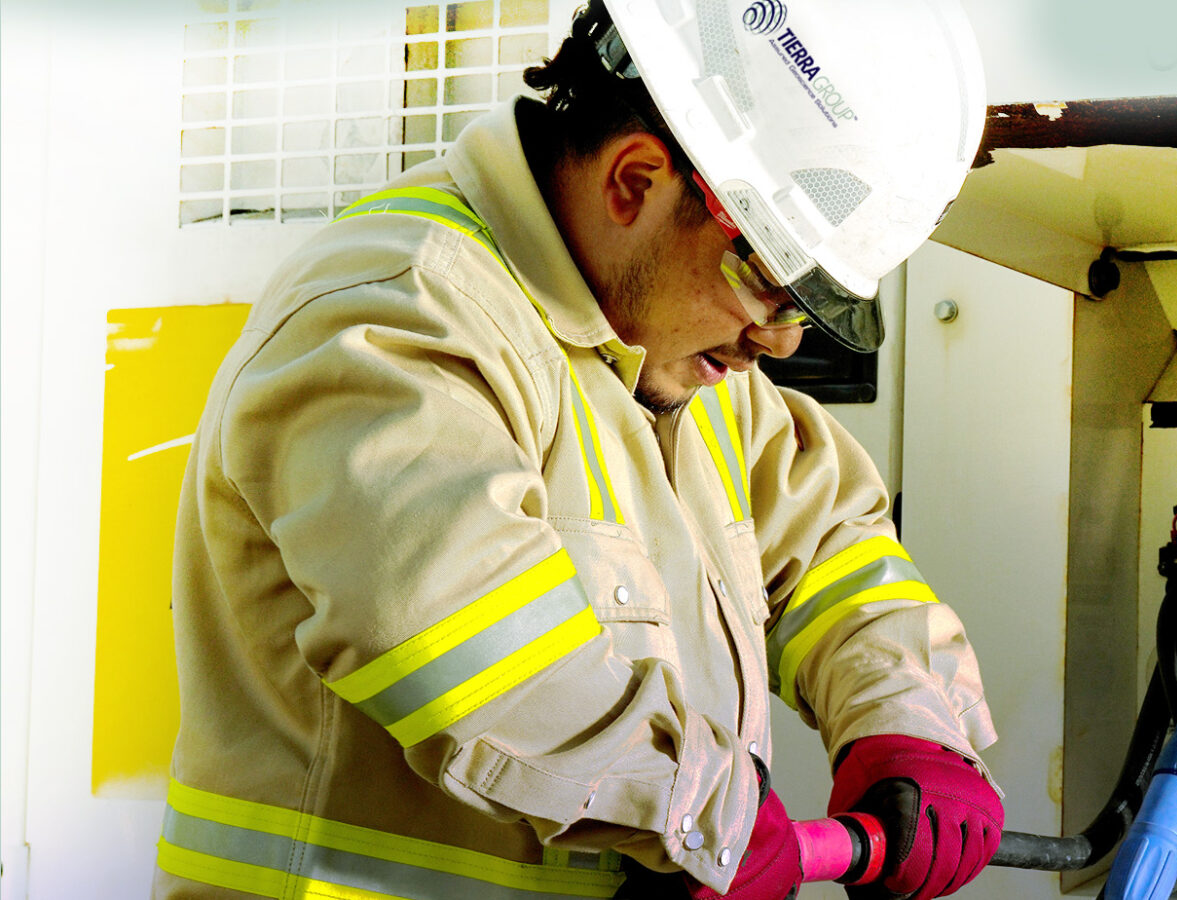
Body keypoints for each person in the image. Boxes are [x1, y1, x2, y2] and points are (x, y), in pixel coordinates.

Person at [155, 1, 1002, 898]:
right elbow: (486, 666)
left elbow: (829, 547)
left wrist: (905, 717)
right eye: (764, 278)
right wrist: (707, 819)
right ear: (636, 181)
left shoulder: (670, 351)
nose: (782, 343)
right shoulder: (395, 320)